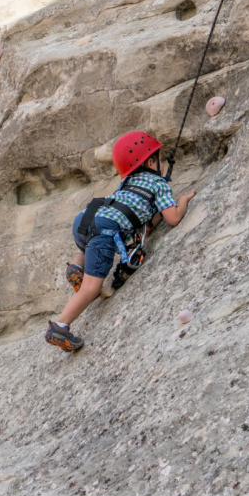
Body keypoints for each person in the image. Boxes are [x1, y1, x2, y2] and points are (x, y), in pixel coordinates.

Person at [46, 132, 196, 353]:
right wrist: (181, 200)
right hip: (105, 230)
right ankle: (60, 327)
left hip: (86, 217)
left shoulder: (127, 182)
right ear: (151, 162)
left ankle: (78, 266)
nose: (162, 164)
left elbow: (144, 221)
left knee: (91, 245)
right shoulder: (158, 183)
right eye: (159, 159)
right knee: (91, 288)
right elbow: (172, 218)